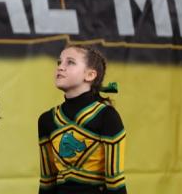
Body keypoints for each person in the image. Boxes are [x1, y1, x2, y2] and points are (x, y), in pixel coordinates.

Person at [38, 46, 126, 193]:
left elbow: (115, 181)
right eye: (59, 62)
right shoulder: (47, 120)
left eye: (70, 62)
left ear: (90, 75)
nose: (60, 67)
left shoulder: (106, 116)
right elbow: (47, 181)